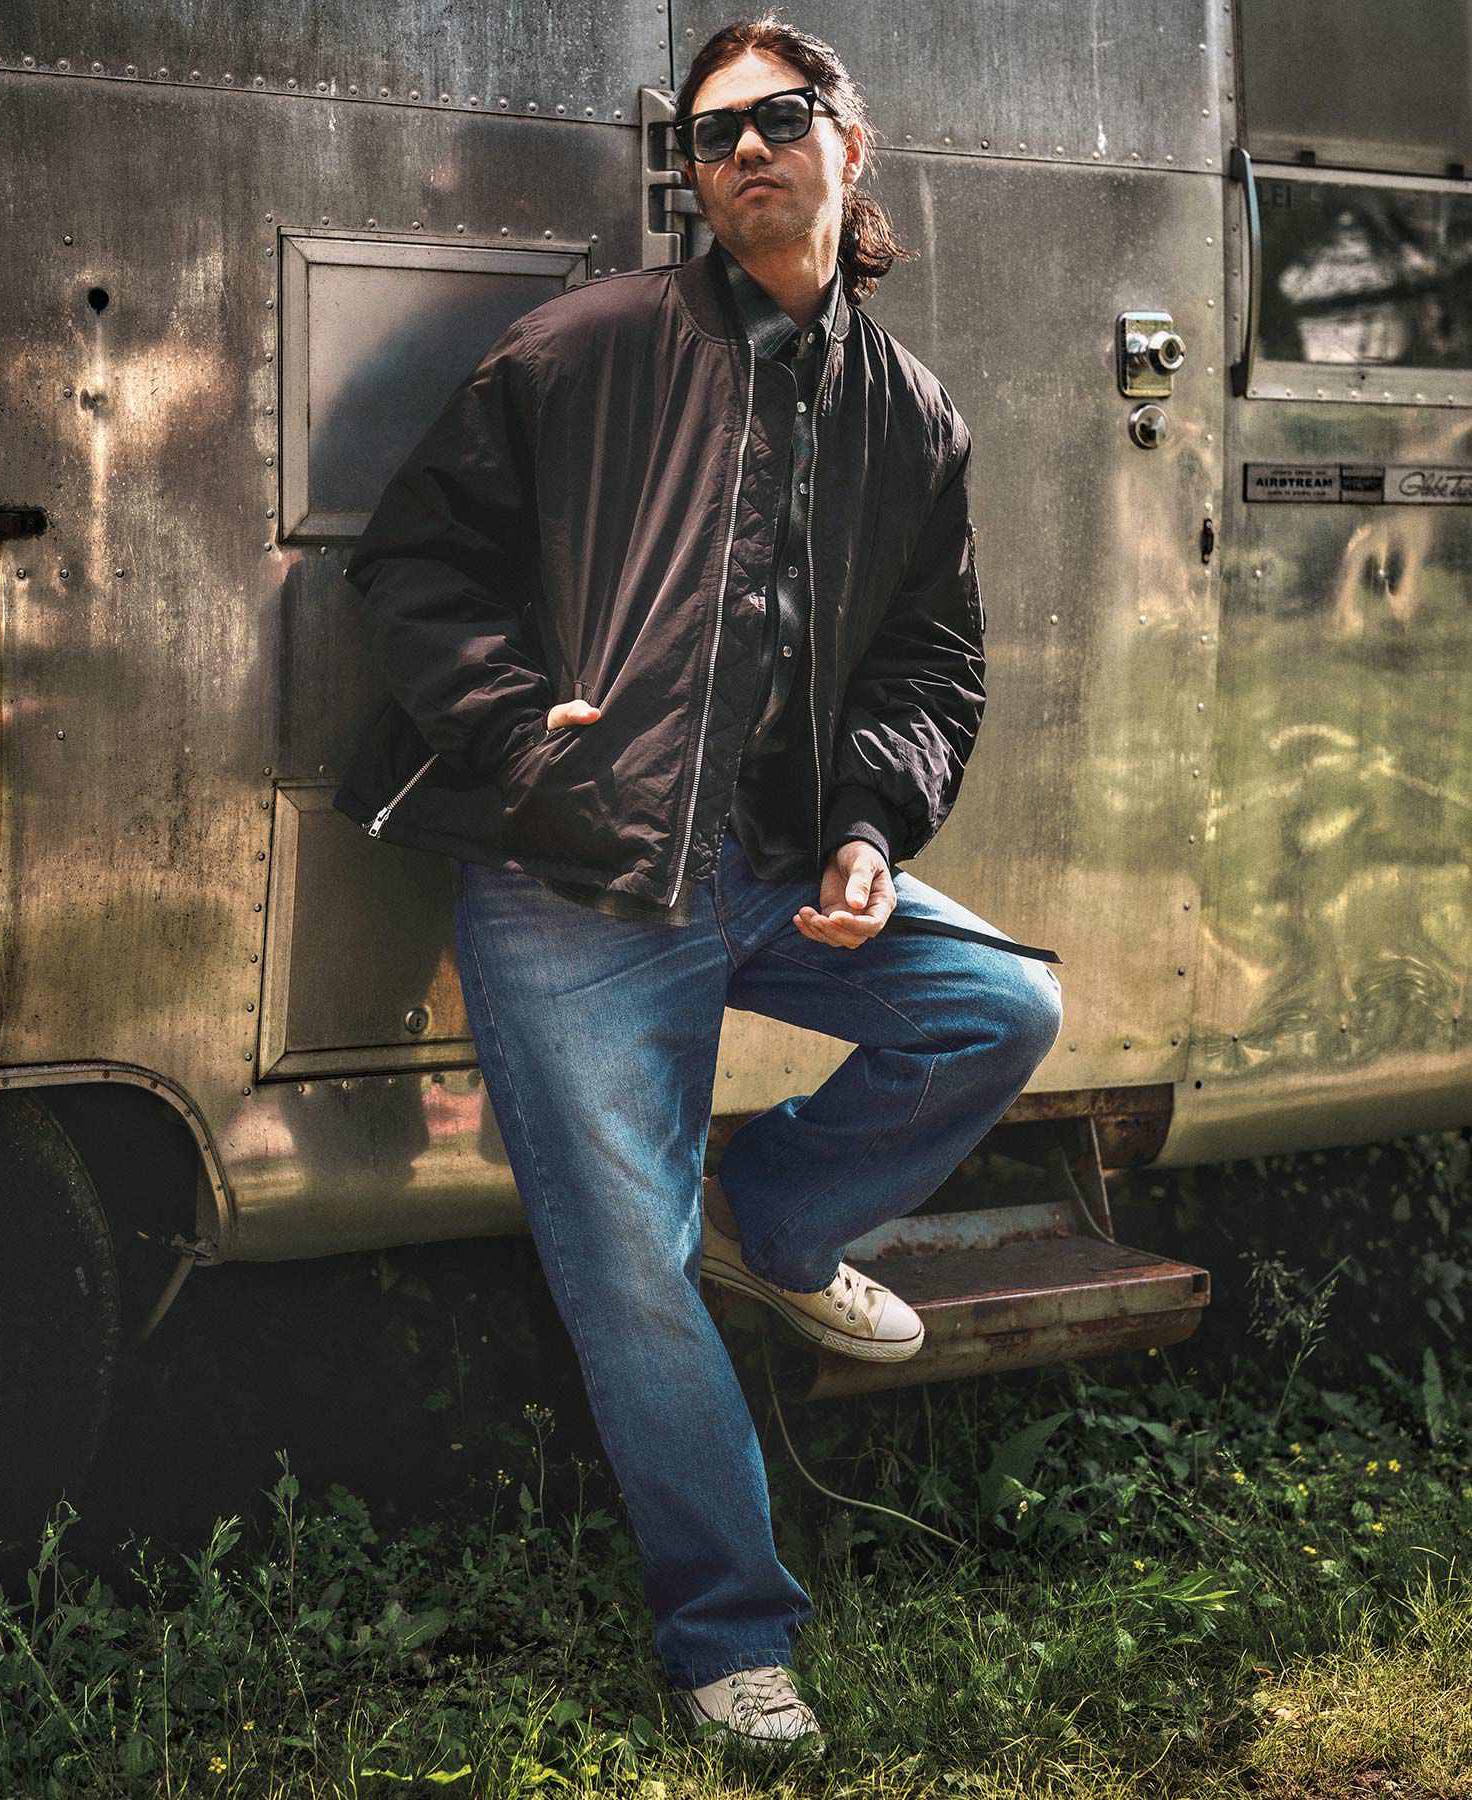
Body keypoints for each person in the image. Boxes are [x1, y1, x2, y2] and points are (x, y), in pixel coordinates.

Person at [333, 12, 1064, 1756]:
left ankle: (783, 1222)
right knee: (637, 1277)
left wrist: (872, 830)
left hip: (774, 868)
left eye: (780, 117)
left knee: (1001, 1007)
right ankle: (731, 1636)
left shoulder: (911, 414)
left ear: (851, 146)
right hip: (574, 879)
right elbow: (413, 564)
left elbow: (930, 666)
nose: (743, 150)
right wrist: (518, 729)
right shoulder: (583, 348)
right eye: (711, 133)